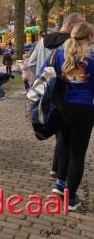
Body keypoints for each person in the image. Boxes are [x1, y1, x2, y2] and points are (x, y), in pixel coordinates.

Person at [28, 13, 86, 181]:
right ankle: (60, 175)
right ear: (70, 26)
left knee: (58, 132)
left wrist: (37, 88)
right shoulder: (74, 46)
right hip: (65, 95)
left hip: (45, 93)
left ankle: (57, 170)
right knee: (64, 135)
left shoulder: (43, 40)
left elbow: (31, 64)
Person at [43, 22, 94, 211]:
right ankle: (70, 199)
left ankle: (59, 185)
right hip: (84, 110)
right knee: (77, 154)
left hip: (62, 108)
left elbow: (43, 77)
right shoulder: (92, 58)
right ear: (89, 37)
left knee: (63, 146)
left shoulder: (57, 54)